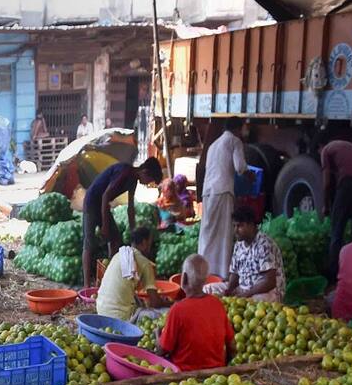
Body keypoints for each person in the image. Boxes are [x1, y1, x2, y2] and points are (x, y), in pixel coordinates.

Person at [81, 157, 164, 287]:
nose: (147, 184)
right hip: (92, 201)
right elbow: (105, 196)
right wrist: (105, 225)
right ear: (145, 171)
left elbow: (131, 208)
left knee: (115, 239)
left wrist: (133, 231)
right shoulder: (125, 172)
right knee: (89, 243)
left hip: (103, 205)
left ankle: (109, 275)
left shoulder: (133, 182)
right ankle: (86, 285)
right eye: (149, 181)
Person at [159, 254, 236, 371]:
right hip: (215, 378)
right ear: (206, 280)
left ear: (184, 278)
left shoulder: (178, 310)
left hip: (185, 379)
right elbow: (232, 346)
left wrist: (157, 336)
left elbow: (163, 350)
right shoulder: (217, 304)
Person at [198, 116, 250, 278]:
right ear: (237, 128)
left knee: (208, 231)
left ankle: (202, 271)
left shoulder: (213, 145)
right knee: (224, 233)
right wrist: (251, 176)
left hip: (208, 191)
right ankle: (221, 274)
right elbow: (240, 167)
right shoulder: (234, 141)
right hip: (223, 190)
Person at [321, 139, 352, 281]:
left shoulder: (325, 150)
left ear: (319, 147)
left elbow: (326, 183)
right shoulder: (346, 146)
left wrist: (325, 204)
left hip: (349, 184)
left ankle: (333, 274)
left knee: (337, 231)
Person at [95, 226, 166, 322]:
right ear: (145, 243)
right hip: (119, 316)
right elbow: (155, 303)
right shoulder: (144, 263)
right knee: (160, 314)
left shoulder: (119, 254)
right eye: (150, 242)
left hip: (101, 310)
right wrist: (170, 303)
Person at [226, 205, 286, 302]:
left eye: (240, 226)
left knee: (252, 304)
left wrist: (245, 295)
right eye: (234, 226)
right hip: (244, 289)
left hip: (267, 292)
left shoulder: (264, 244)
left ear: (251, 225)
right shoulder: (238, 245)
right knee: (210, 288)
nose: (235, 230)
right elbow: (235, 273)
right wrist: (228, 290)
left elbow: (269, 282)